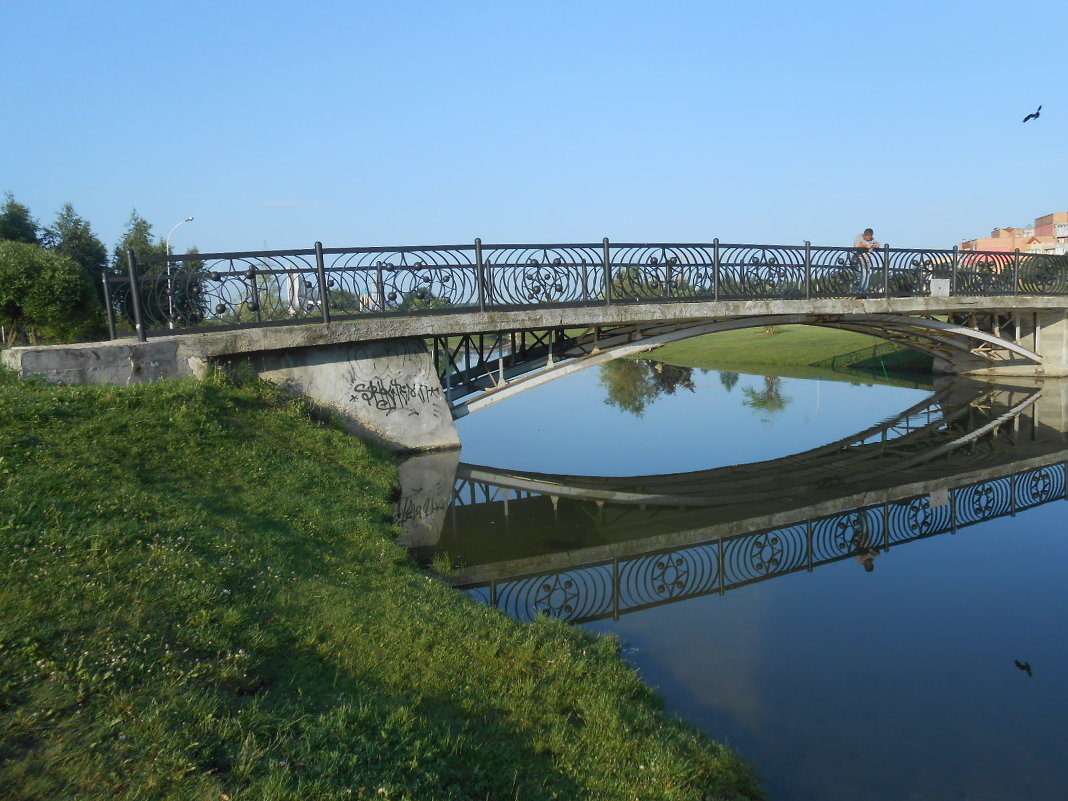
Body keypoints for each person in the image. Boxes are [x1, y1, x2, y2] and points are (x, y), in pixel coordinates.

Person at [853, 228, 881, 296]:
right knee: (863, 274)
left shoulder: (872, 239)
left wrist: (876, 245)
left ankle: (864, 292)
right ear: (865, 235)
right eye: (867, 237)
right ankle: (860, 292)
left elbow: (878, 244)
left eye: (870, 237)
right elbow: (856, 245)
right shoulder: (859, 237)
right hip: (858, 260)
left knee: (868, 275)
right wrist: (866, 246)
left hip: (867, 260)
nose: (869, 238)